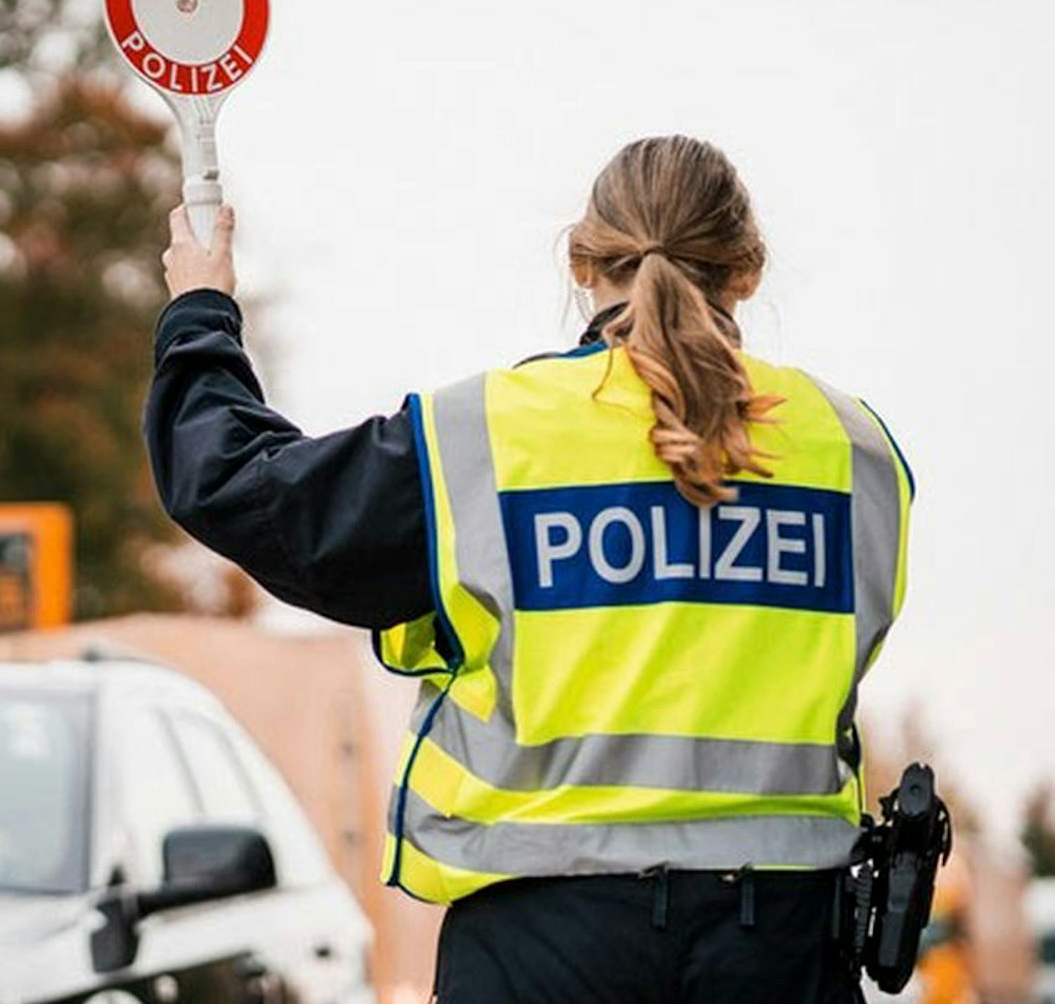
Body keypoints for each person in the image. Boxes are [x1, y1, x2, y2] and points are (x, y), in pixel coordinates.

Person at [145, 135, 912, 1003]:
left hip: (541, 952)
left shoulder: (487, 438)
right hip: (781, 950)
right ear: (747, 270)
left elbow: (239, 485)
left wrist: (201, 311)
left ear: (583, 262)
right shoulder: (854, 451)